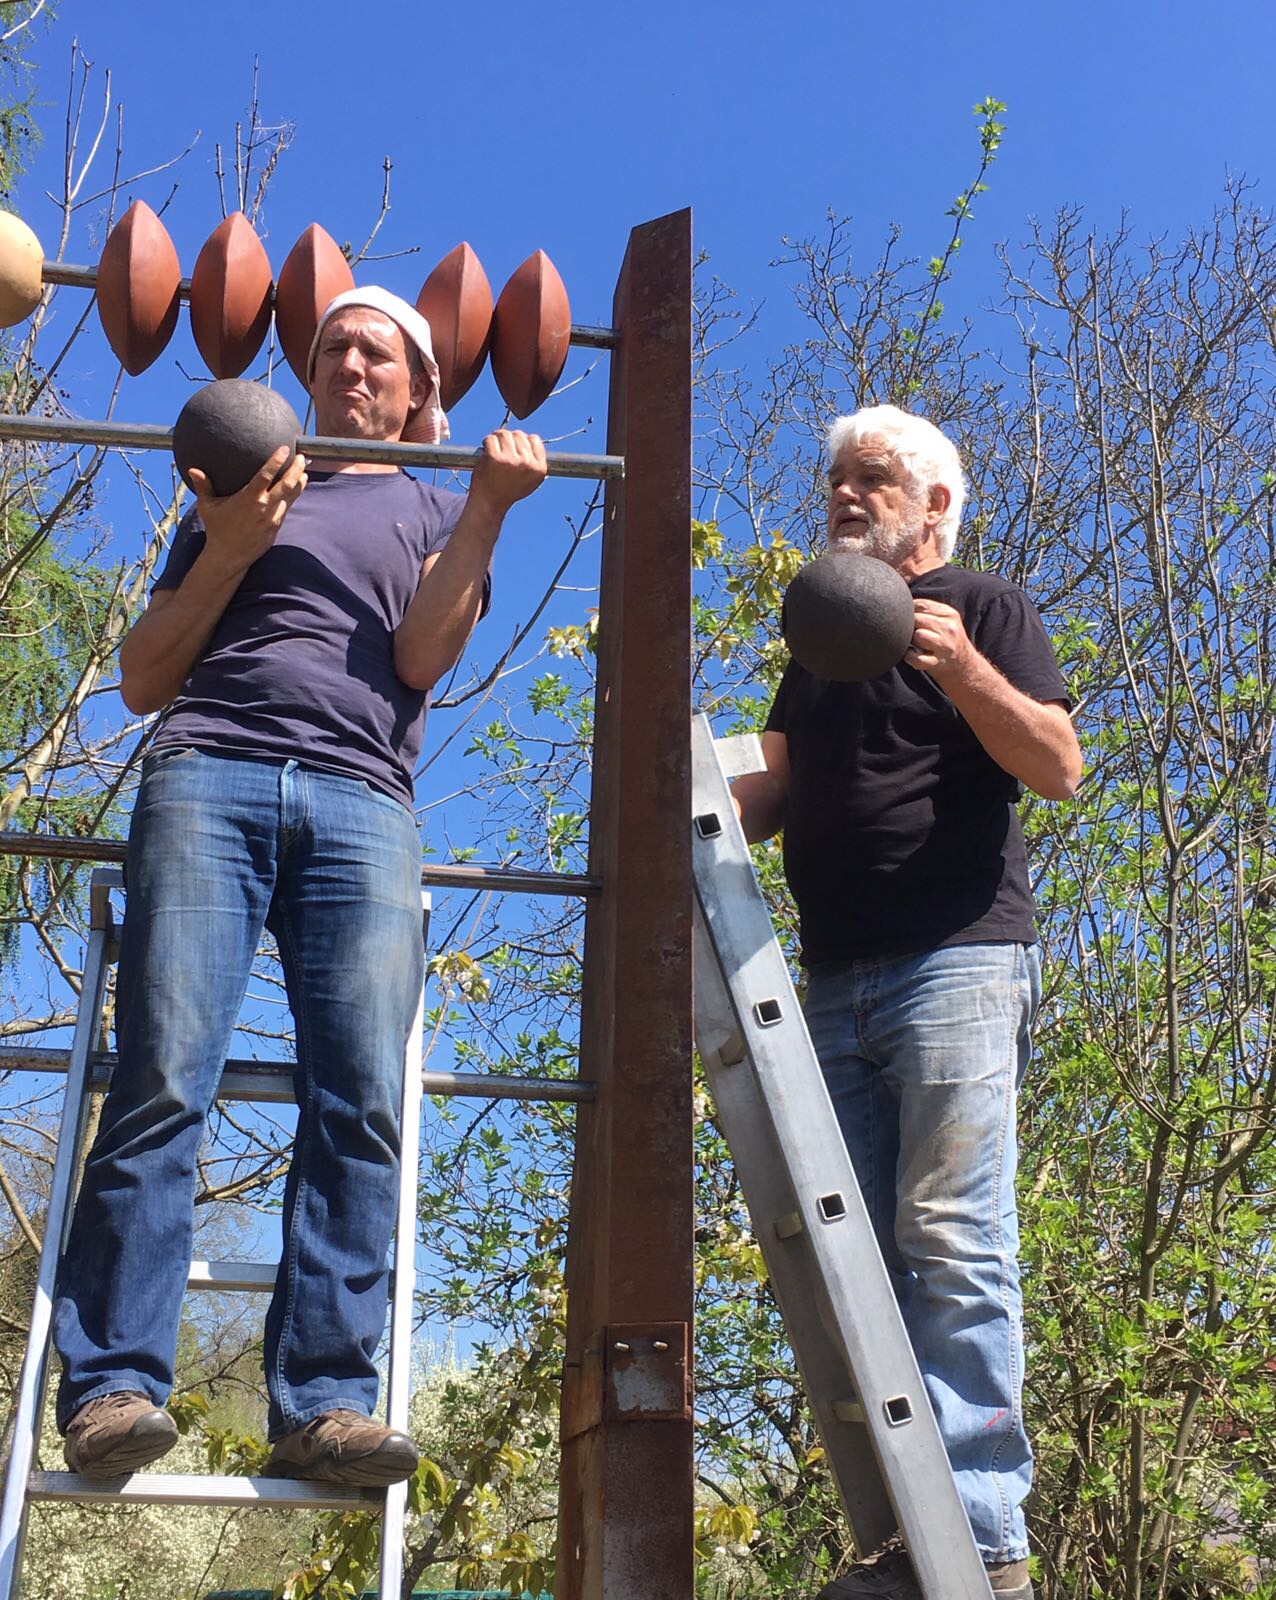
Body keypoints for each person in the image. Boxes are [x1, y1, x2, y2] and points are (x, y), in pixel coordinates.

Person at [51, 286, 547, 1485]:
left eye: (377, 354)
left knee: (362, 1097)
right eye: (332, 349)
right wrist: (229, 543)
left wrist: (487, 505)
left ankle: (325, 1403)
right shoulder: (236, 494)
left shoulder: (438, 504)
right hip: (207, 772)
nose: (351, 366)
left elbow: (422, 655)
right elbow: (142, 678)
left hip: (362, 799)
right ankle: (112, 1386)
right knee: (162, 1073)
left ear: (419, 395)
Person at [732, 405, 1081, 1600]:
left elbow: (1056, 764)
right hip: (832, 977)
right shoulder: (824, 639)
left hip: (956, 963)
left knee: (952, 1238)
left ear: (934, 504)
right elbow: (771, 789)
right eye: (835, 477)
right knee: (859, 1262)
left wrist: (960, 665)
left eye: (871, 477)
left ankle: (982, 1544)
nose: (843, 493)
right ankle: (900, 1541)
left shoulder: (983, 606)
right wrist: (671, 782)